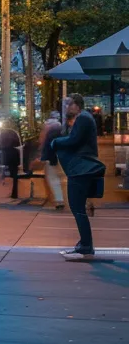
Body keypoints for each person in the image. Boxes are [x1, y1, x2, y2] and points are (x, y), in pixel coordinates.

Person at [52, 93, 106, 259]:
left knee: (77, 208)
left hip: (81, 168)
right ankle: (85, 244)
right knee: (78, 208)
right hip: (82, 167)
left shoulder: (83, 118)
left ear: (77, 105)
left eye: (69, 104)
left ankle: (86, 245)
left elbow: (73, 140)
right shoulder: (84, 118)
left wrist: (56, 142)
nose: (67, 107)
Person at [39, 110, 65, 211]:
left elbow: (43, 140)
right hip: (61, 155)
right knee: (58, 177)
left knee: (52, 178)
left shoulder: (47, 125)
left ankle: (59, 200)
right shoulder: (61, 126)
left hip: (50, 155)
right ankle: (60, 199)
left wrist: (41, 153)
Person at [0, 120, 22, 200]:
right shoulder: (14, 133)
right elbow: (18, 143)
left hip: (4, 154)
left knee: (3, 173)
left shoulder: (0, 133)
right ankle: (14, 193)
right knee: (14, 174)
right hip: (13, 154)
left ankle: (5, 190)